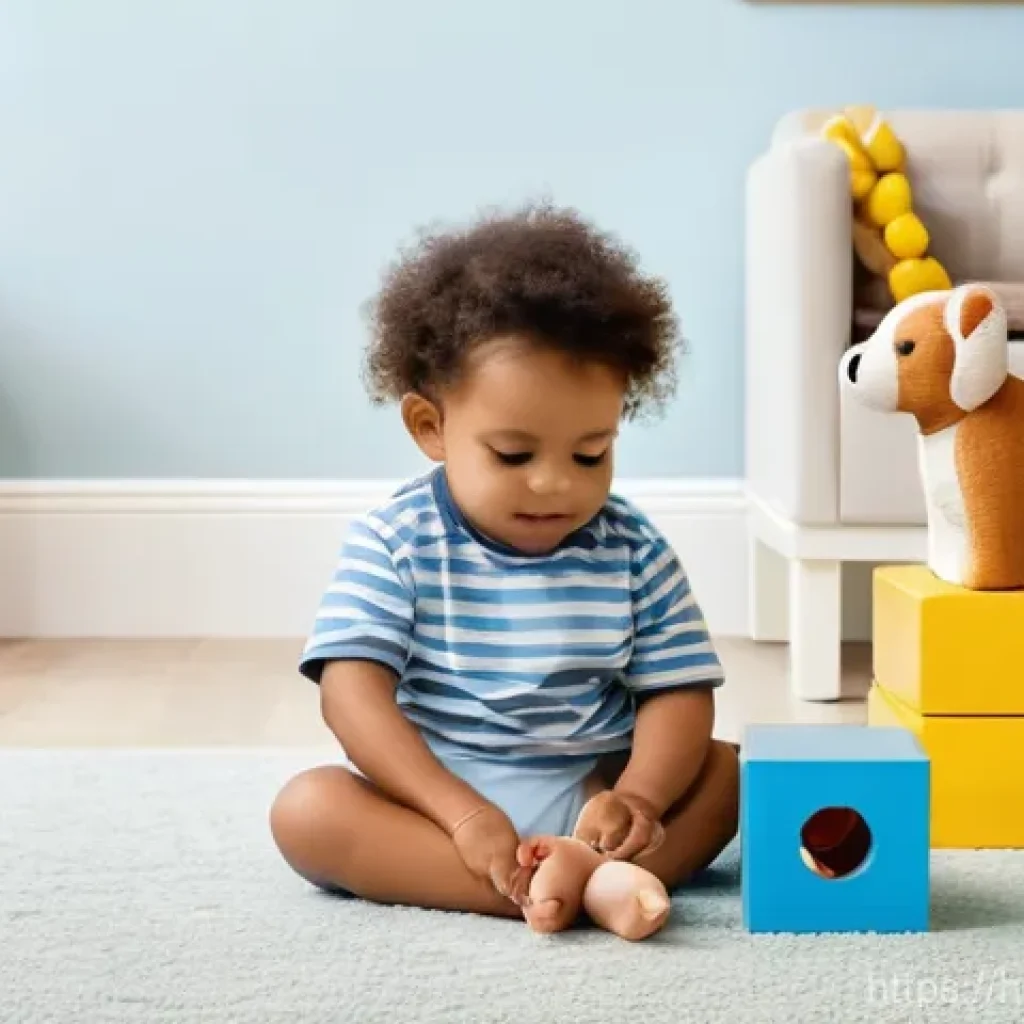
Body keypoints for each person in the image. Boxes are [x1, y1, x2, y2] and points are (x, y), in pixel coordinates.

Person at [270, 203, 739, 934]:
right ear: (432, 427)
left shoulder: (633, 549)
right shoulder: (397, 542)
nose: (556, 483)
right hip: (435, 801)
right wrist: (461, 813)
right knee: (307, 811)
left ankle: (597, 865)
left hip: (596, 798)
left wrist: (641, 798)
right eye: (514, 455)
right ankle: (584, 890)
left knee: (726, 772)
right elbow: (350, 695)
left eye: (591, 454)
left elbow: (677, 692)